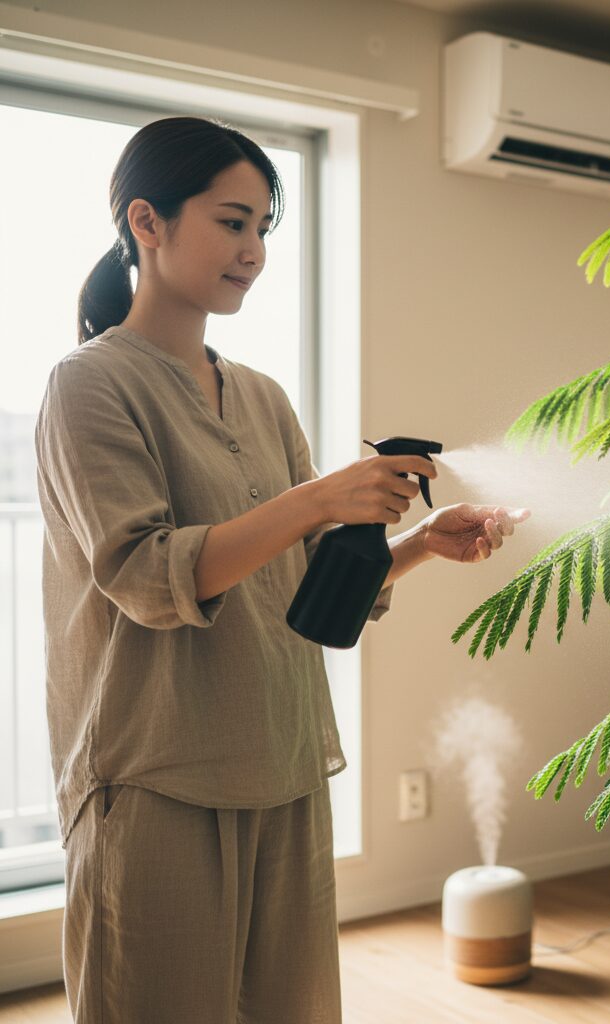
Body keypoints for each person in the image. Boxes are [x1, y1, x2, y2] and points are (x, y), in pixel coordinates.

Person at [34, 114, 530, 1024]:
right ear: (147, 221)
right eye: (232, 222)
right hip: (156, 780)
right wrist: (318, 498)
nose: (254, 250)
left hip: (285, 761)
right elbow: (145, 575)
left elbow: (299, 583)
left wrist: (422, 543)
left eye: (262, 227)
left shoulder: (262, 397)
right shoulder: (89, 385)